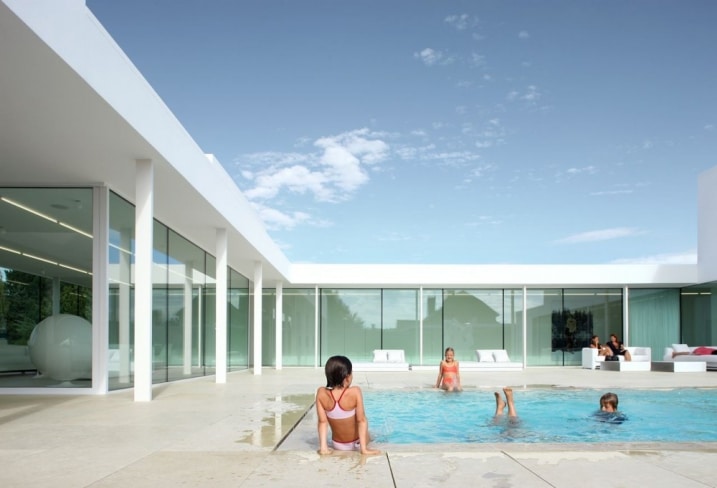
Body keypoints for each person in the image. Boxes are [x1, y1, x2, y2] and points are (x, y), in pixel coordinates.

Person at [315, 355, 380, 456]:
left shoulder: (321, 393)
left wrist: (323, 448)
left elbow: (322, 422)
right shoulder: (354, 392)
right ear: (347, 377)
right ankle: (364, 446)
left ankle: (324, 448)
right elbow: (361, 420)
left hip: (337, 445)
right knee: (371, 433)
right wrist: (364, 449)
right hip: (356, 444)